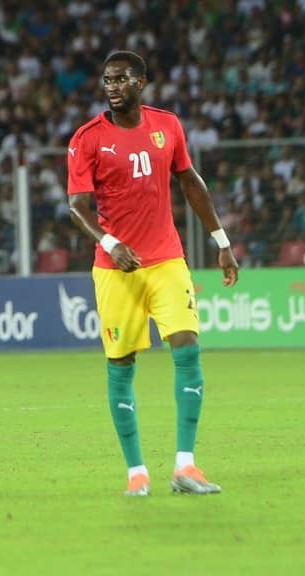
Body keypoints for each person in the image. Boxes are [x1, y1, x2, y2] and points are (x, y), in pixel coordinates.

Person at [66, 51, 239, 497]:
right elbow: (76, 206)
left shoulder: (168, 126)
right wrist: (110, 243)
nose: (113, 86)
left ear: (141, 82)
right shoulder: (87, 139)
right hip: (115, 269)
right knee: (121, 364)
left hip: (166, 259)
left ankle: (185, 466)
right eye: (108, 80)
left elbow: (190, 182)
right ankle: (136, 472)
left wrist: (221, 241)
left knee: (187, 346)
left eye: (121, 79)